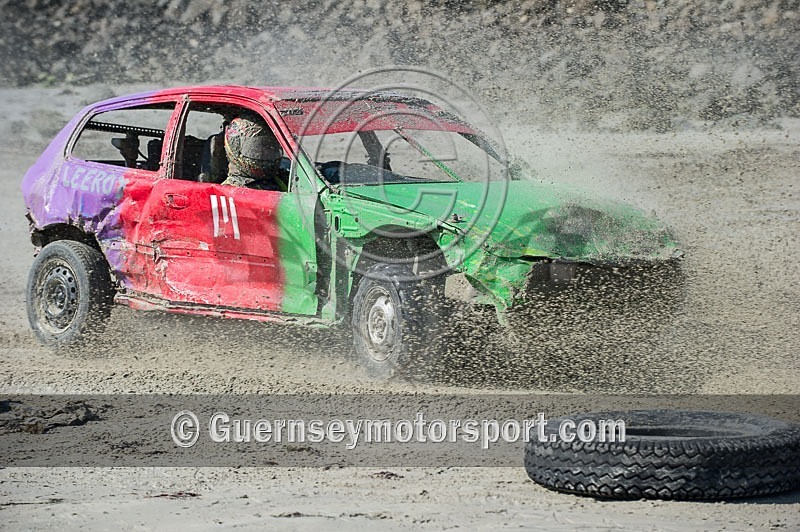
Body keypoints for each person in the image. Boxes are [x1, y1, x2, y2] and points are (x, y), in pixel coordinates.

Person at [221, 115, 288, 191]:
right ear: (235, 150)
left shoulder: (283, 177)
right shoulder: (229, 191)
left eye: (270, 147)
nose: (265, 154)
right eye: (256, 149)